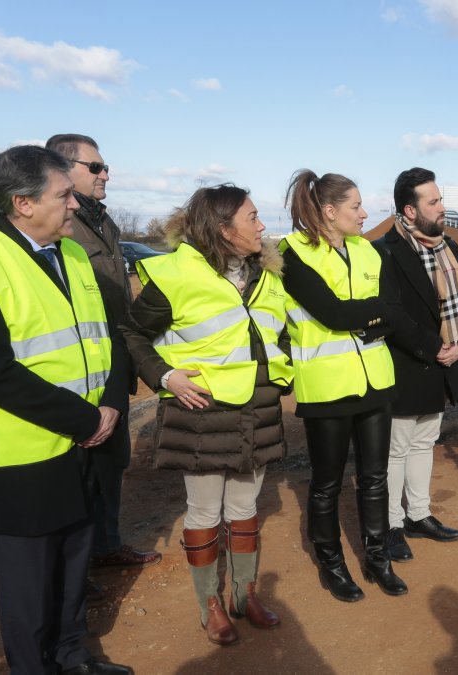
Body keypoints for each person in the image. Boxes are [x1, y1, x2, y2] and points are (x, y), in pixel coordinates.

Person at [0, 145, 131, 675]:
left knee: (73, 569)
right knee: (29, 585)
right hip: (22, 456)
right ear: (22, 202)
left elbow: (102, 338)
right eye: (63, 195)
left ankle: (72, 657)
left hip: (86, 444)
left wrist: (110, 405)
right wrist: (87, 420)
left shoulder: (69, 253)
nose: (73, 205)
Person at [121, 184, 290, 646]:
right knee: (203, 511)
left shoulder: (267, 276)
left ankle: (244, 594)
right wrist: (165, 377)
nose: (261, 226)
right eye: (252, 218)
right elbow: (132, 335)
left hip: (257, 409)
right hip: (201, 415)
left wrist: (284, 374)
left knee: (245, 509)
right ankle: (209, 605)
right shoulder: (175, 275)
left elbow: (279, 334)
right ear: (223, 229)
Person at [281, 169, 407, 601]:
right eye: (355, 206)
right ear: (330, 211)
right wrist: (375, 312)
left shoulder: (369, 252)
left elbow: (393, 306)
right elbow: (331, 315)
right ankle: (332, 563)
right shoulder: (291, 254)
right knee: (326, 483)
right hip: (327, 387)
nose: (365, 213)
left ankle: (377, 558)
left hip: (375, 379)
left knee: (375, 477)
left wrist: (369, 311)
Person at [45, 133, 161, 577]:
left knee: (112, 463)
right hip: (78, 374)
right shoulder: (57, 228)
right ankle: (75, 570)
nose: (105, 174)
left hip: (114, 362)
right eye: (94, 167)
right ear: (61, 170)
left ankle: (106, 546)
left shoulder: (104, 222)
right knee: (77, 474)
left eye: (104, 166)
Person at [373, 167, 458, 562]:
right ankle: (391, 524)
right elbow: (392, 313)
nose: (443, 207)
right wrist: (435, 347)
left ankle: (418, 515)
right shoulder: (386, 251)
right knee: (395, 450)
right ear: (410, 211)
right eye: (433, 201)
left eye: (440, 199)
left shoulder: (450, 246)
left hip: (444, 362)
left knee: (424, 443)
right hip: (406, 364)